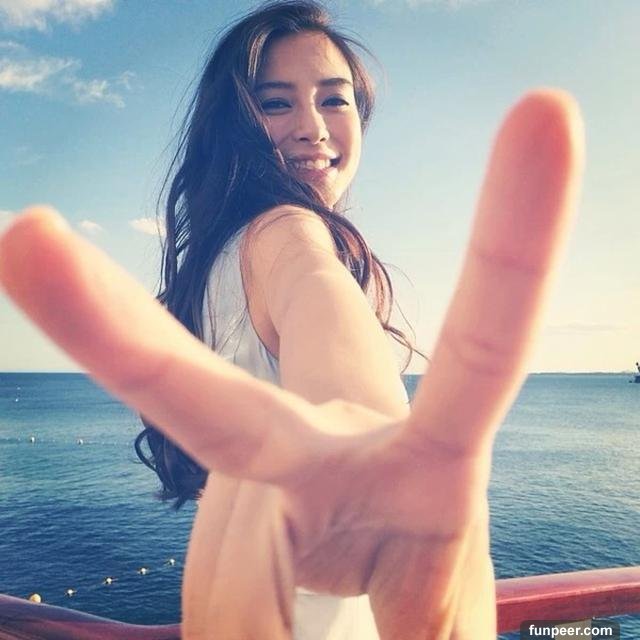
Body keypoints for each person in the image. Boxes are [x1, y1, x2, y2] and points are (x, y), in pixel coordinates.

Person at [0, 1, 584, 639]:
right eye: (276, 103)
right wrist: (364, 431)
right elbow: (318, 298)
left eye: (334, 100)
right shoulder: (288, 232)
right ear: (234, 125)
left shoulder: (214, 262)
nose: (312, 127)